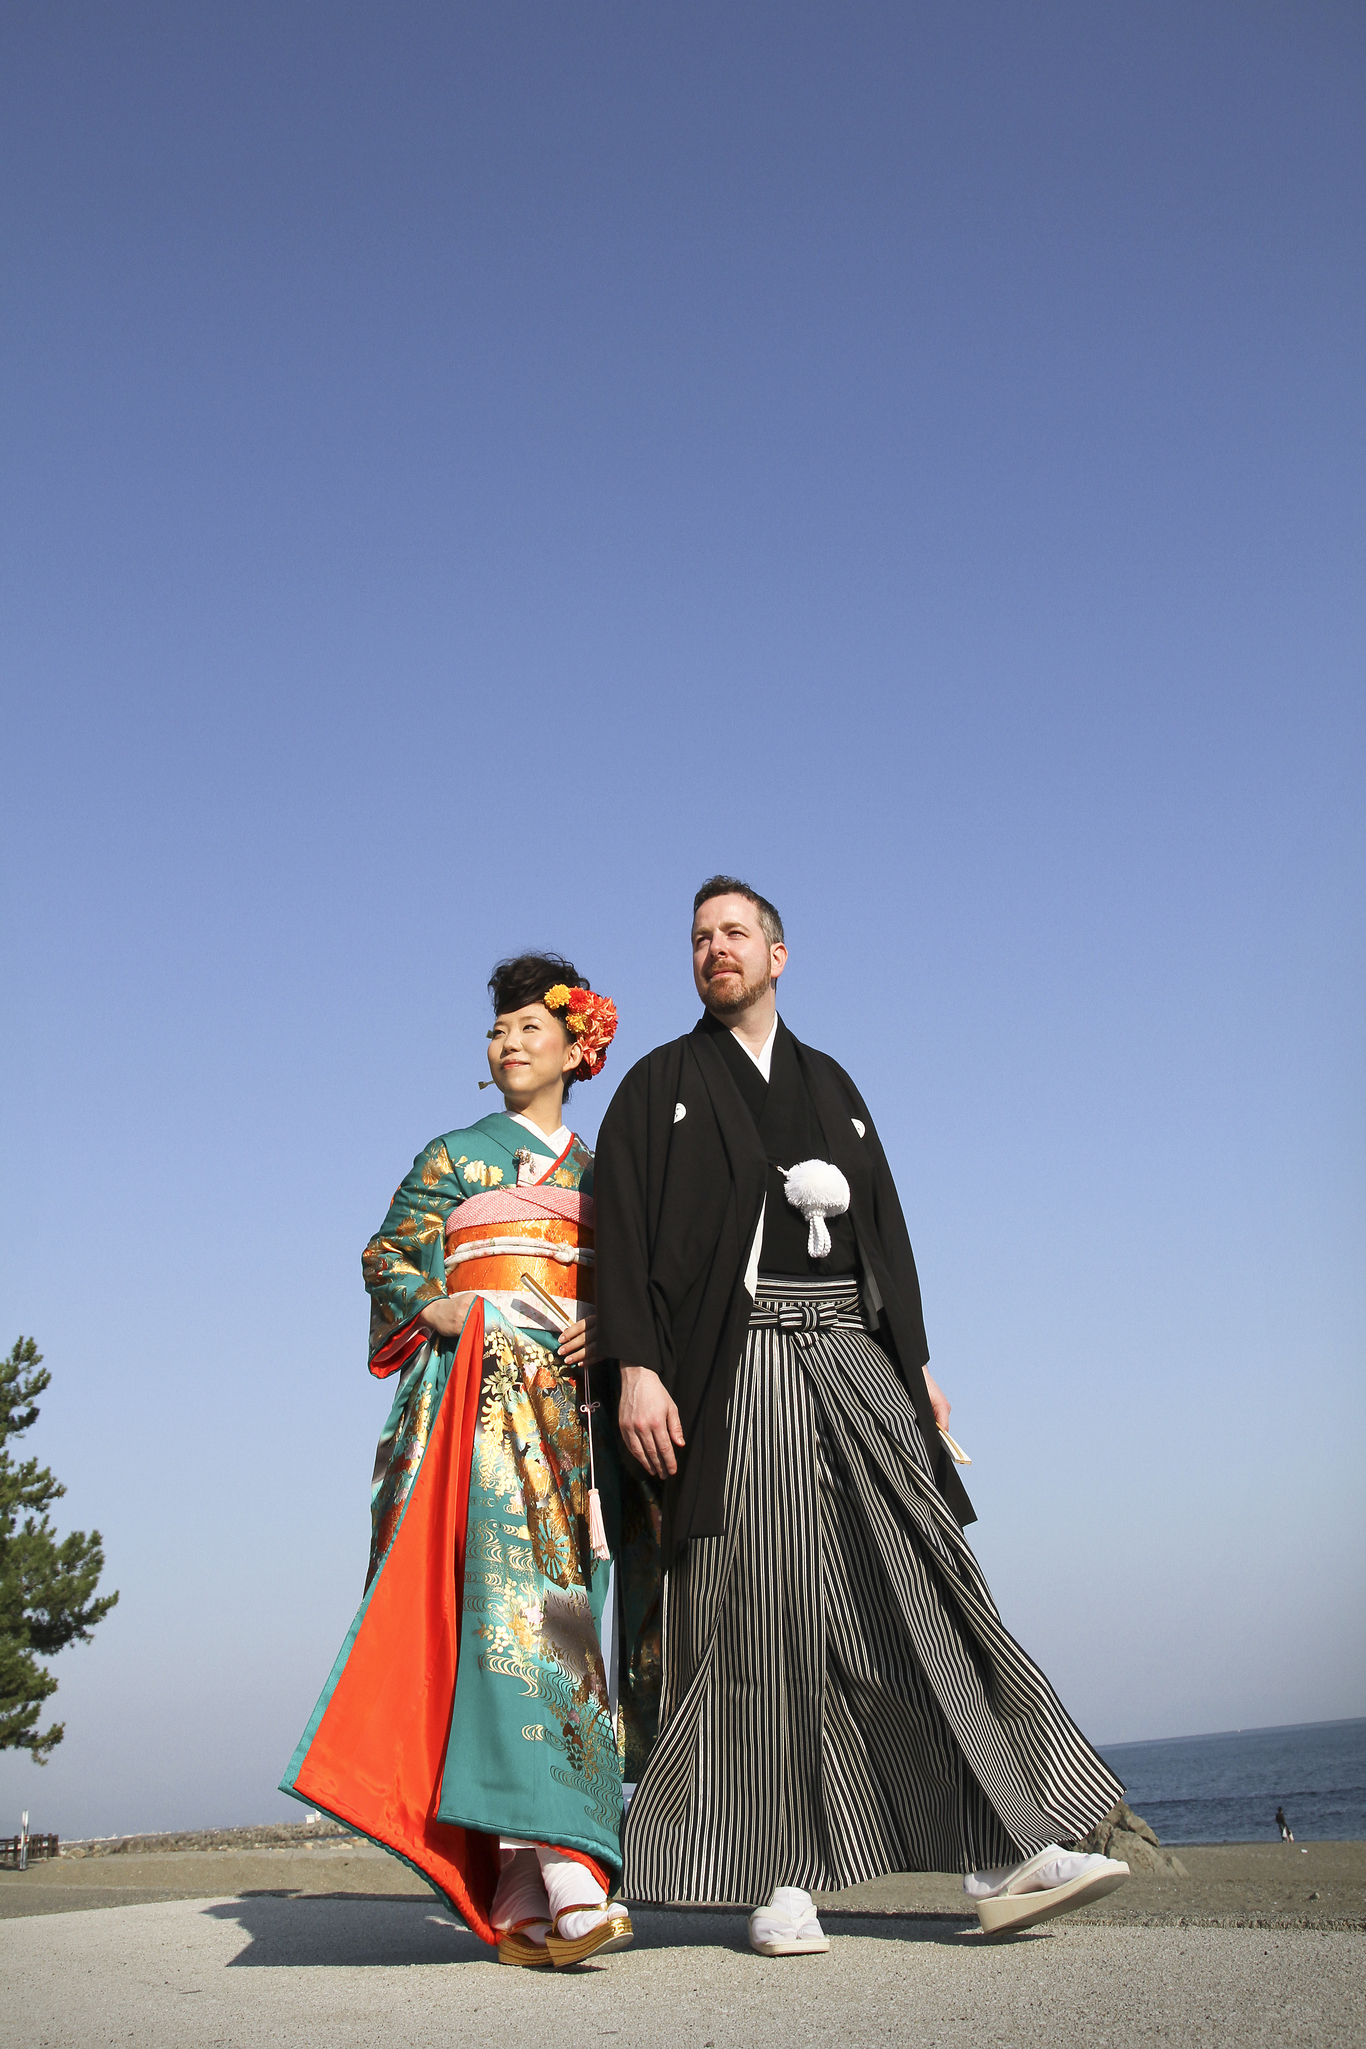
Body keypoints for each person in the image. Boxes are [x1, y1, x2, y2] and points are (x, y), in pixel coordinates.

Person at [594, 877, 1132, 1948]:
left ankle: (1005, 1846)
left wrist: (916, 1361)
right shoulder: (659, 1086)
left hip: (852, 1350)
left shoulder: (831, 1082)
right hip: (736, 1368)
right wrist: (636, 1369)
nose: (714, 949)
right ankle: (777, 1878)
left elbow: (885, 1225)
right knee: (756, 1607)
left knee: (924, 1584)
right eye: (699, 937)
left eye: (734, 932)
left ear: (779, 954)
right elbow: (619, 1231)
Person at [281, 954, 638, 1968]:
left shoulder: (606, 1174)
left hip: (566, 1422)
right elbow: (386, 1253)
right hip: (474, 1411)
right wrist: (436, 1303)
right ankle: (562, 1868)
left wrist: (608, 1326)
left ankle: (524, 1873)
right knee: (501, 1611)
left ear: (577, 1047)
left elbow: (637, 1282)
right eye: (498, 1030)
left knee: (560, 1613)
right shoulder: (452, 1155)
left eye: (530, 1028)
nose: (508, 1043)